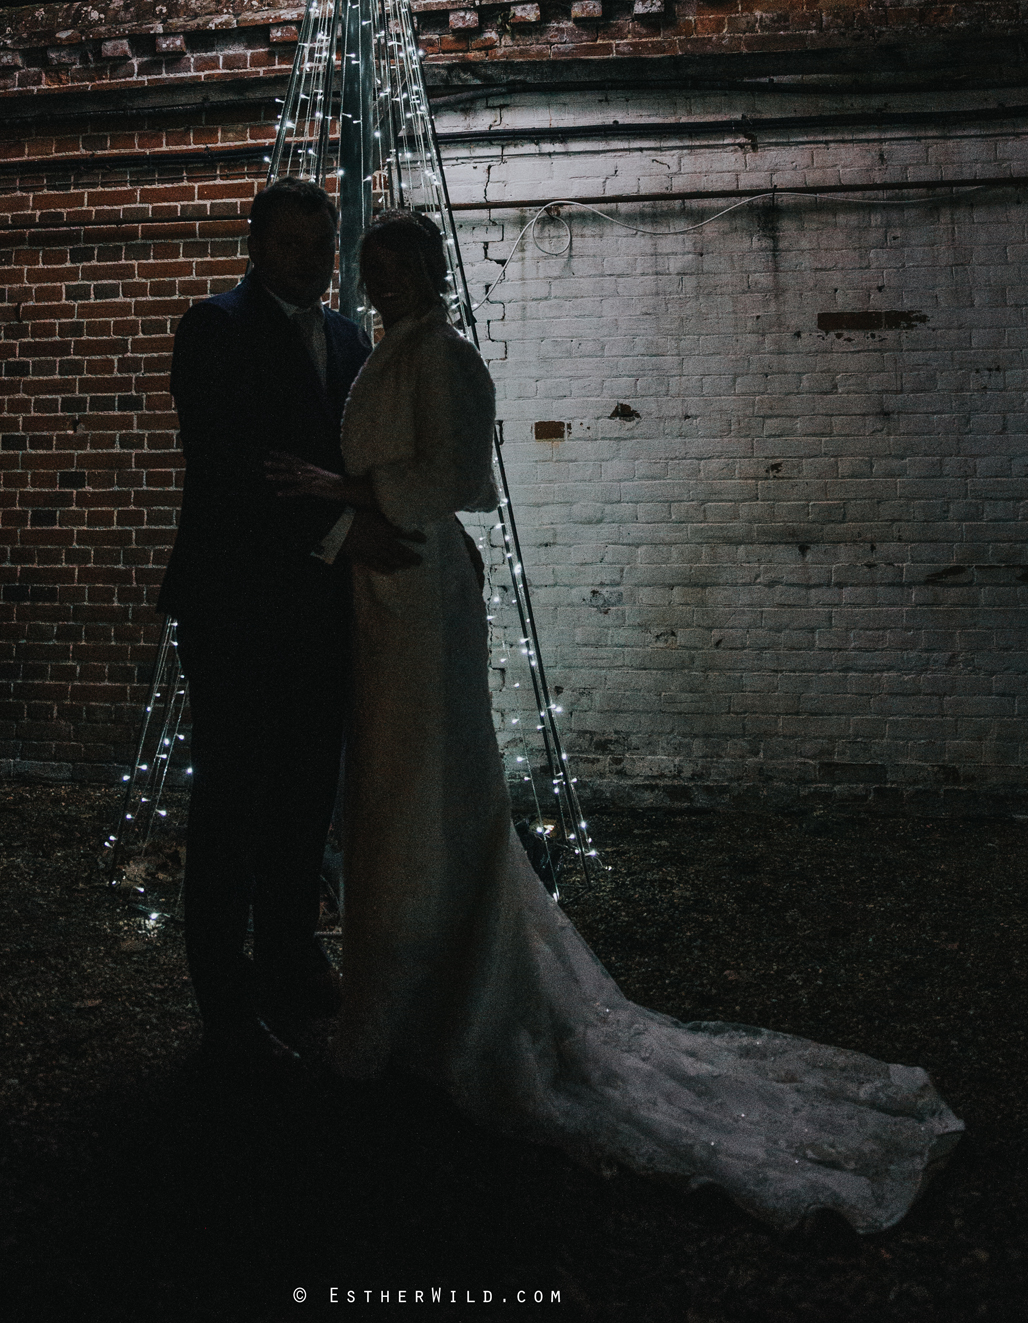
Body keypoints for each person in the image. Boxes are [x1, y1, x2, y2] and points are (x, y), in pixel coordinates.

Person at [266, 209, 964, 1234]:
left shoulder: (445, 357)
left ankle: (432, 991)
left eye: (398, 265)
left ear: (427, 270)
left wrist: (336, 484)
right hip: (385, 592)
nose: (383, 281)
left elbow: (453, 479)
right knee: (387, 778)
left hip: (418, 585)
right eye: (372, 268)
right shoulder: (383, 351)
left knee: (416, 777)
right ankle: (407, 988)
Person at [157, 181, 420, 1063]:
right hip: (234, 605)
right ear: (255, 243)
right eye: (291, 244)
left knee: (307, 792)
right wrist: (351, 532)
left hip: (319, 606)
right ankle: (224, 1007)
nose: (308, 260)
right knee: (233, 802)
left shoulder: (350, 338)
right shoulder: (214, 330)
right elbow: (232, 467)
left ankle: (286, 959)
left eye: (320, 244)